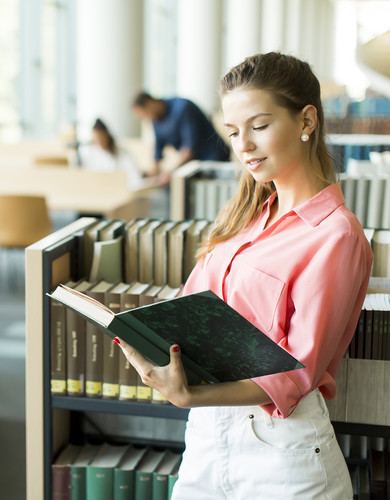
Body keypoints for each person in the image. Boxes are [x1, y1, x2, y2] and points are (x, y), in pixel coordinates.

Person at [116, 52, 373, 498]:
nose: (244, 146)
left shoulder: (337, 235)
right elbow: (190, 306)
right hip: (206, 440)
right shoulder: (246, 216)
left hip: (282, 453)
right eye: (234, 132)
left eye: (259, 126)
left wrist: (191, 395)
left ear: (306, 120)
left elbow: (297, 373)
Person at [132, 91, 231, 183]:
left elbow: (189, 150)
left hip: (214, 159)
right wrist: (153, 173)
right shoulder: (155, 119)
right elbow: (158, 148)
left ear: (150, 103)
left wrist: (169, 173)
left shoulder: (183, 108)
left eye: (145, 114)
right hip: (194, 164)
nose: (146, 118)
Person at [80, 118, 143, 190]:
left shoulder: (122, 153)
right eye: (97, 140)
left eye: (101, 138)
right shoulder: (90, 154)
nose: (100, 142)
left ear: (107, 136)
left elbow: (135, 177)